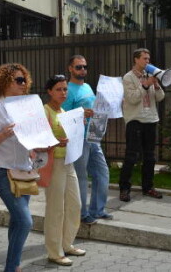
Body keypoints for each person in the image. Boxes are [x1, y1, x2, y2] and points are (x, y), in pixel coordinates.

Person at [0, 63, 33, 272]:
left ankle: (13, 264)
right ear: (5, 82)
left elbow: (27, 137)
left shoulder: (23, 106)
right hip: (4, 171)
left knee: (17, 221)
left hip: (24, 170)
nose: (23, 84)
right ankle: (12, 267)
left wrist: (33, 146)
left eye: (25, 80)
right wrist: (5, 133)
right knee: (25, 221)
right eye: (18, 80)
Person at [62, 55, 112, 225]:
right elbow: (62, 116)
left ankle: (97, 210)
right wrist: (81, 112)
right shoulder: (67, 91)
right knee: (81, 176)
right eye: (78, 67)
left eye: (84, 67)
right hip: (78, 139)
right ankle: (82, 214)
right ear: (70, 68)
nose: (82, 70)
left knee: (102, 172)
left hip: (93, 135)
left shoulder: (88, 87)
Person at [42, 75, 84, 267]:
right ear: (49, 91)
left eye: (65, 89)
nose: (63, 93)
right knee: (56, 208)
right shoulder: (45, 111)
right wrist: (56, 142)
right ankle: (54, 252)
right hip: (54, 163)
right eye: (59, 89)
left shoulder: (64, 110)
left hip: (69, 161)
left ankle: (67, 244)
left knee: (75, 204)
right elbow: (38, 140)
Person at [119, 48, 165, 202]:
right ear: (136, 60)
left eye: (148, 58)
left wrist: (156, 85)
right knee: (131, 156)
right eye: (144, 58)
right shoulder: (128, 78)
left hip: (150, 119)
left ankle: (148, 187)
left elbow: (160, 97)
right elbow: (132, 99)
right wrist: (144, 86)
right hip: (135, 120)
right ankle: (124, 189)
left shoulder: (150, 76)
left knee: (150, 157)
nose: (147, 61)